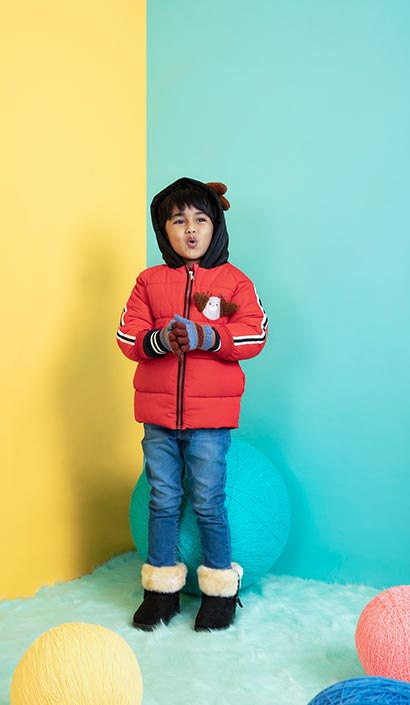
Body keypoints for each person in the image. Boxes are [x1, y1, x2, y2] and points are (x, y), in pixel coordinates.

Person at [116, 177, 267, 631]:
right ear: (164, 230)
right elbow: (127, 336)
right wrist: (160, 340)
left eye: (200, 219)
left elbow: (255, 333)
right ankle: (160, 591)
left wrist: (207, 335)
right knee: (163, 498)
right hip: (158, 417)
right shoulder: (149, 281)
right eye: (179, 221)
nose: (190, 230)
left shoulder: (234, 282)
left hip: (209, 419)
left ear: (215, 226)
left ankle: (220, 592)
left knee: (208, 500)